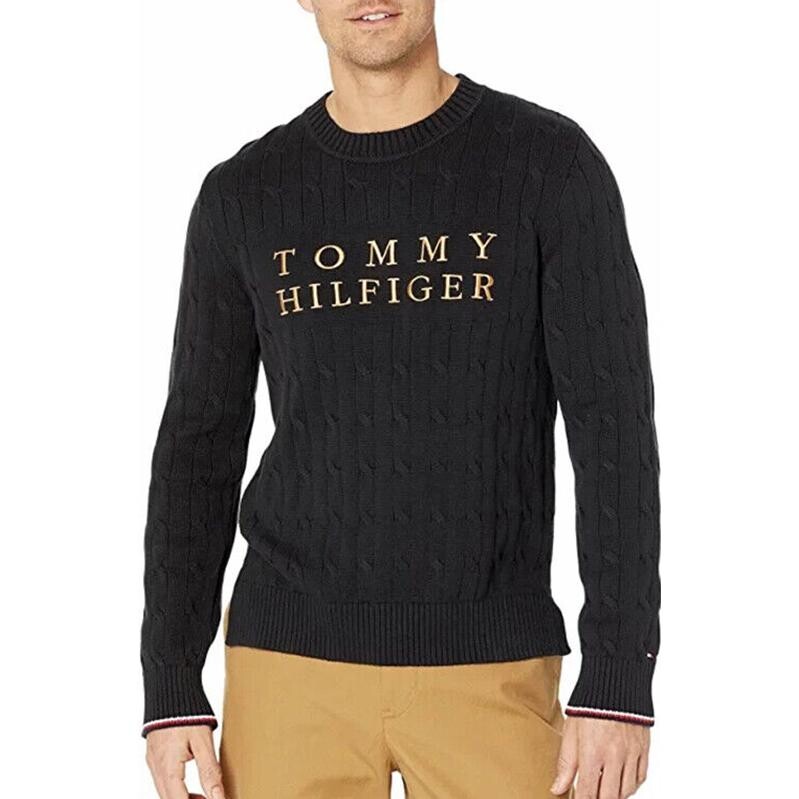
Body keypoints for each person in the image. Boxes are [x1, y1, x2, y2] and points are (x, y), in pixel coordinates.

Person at [141, 2, 660, 797]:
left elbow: (612, 430)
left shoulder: (548, 164)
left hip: (491, 665)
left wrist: (619, 678)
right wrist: (171, 679)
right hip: (287, 669)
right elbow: (197, 446)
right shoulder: (243, 193)